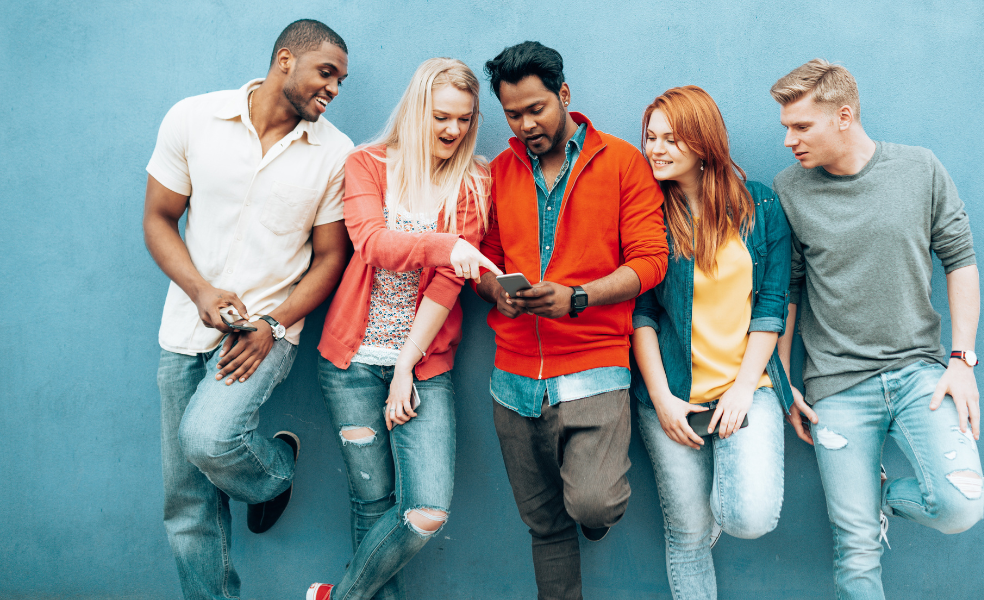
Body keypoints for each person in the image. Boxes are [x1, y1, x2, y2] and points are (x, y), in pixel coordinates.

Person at [143, 19, 354, 600]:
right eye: (325, 72)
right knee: (186, 502)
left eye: (341, 80)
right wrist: (201, 291)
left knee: (208, 439)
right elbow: (159, 217)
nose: (334, 88)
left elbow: (331, 258)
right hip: (185, 325)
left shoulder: (335, 153)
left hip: (267, 332)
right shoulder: (193, 118)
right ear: (285, 60)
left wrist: (273, 324)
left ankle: (273, 474)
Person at [771, 59, 984, 599]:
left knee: (960, 505)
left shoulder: (920, 168)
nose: (790, 140)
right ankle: (867, 514)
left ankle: (882, 500)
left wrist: (962, 360)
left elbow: (960, 259)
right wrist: (783, 378)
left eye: (801, 127)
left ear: (844, 116)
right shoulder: (790, 189)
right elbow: (788, 289)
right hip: (836, 390)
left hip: (920, 374)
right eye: (785, 128)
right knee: (855, 543)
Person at [473, 41, 668, 600]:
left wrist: (578, 298)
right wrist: (496, 291)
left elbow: (652, 261)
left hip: (595, 368)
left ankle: (595, 514)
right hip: (512, 381)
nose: (527, 123)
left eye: (537, 108)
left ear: (564, 95)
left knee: (593, 502)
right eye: (514, 114)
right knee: (544, 527)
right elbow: (486, 260)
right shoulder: (502, 171)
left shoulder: (624, 162)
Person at [306, 57, 498, 600]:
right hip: (349, 365)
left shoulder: (472, 182)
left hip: (423, 367)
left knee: (426, 510)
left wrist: (405, 366)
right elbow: (372, 244)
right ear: (417, 111)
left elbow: (445, 284)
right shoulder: (366, 165)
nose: (453, 131)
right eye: (441, 117)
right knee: (372, 504)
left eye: (464, 119)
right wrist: (448, 245)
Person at [630, 85, 797, 600]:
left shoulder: (760, 204)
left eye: (670, 139)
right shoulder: (649, 214)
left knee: (750, 516)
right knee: (687, 533)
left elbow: (772, 305)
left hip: (747, 387)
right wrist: (661, 400)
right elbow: (643, 313)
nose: (655, 149)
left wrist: (746, 389)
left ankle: (716, 513)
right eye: (651, 138)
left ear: (702, 143)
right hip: (673, 394)